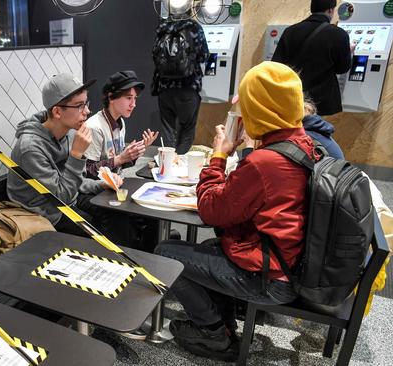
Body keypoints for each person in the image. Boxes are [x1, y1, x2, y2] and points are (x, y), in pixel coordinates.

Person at [154, 61, 316, 361]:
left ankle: (213, 333)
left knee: (165, 253)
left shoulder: (265, 162)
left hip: (270, 279)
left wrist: (218, 155)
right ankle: (225, 327)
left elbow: (211, 210)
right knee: (211, 247)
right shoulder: (304, 144)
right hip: (288, 265)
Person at [7, 73, 122, 237]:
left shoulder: (68, 132)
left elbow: (73, 182)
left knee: (115, 213)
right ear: (57, 112)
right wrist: (77, 154)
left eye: (86, 103)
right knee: (98, 234)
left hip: (69, 199)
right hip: (43, 212)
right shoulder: (30, 148)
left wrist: (100, 185)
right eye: (80, 106)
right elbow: (60, 197)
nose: (87, 111)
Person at [272, 0, 353, 116]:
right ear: (330, 10)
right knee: (314, 133)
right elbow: (342, 68)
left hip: (292, 97)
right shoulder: (338, 34)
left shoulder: (290, 31)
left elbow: (276, 65)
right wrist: (349, 52)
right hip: (321, 102)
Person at [84, 70, 159, 179]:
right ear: (111, 97)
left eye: (135, 98)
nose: (133, 104)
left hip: (115, 184)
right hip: (97, 192)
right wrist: (120, 158)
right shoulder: (94, 127)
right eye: (128, 98)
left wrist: (136, 151)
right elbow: (88, 172)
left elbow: (120, 165)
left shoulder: (120, 122)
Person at [152, 17, 209, 154]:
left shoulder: (163, 27)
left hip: (164, 88)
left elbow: (155, 55)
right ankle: (179, 163)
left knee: (169, 130)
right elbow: (204, 55)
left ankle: (169, 163)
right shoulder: (194, 28)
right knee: (187, 130)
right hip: (187, 88)